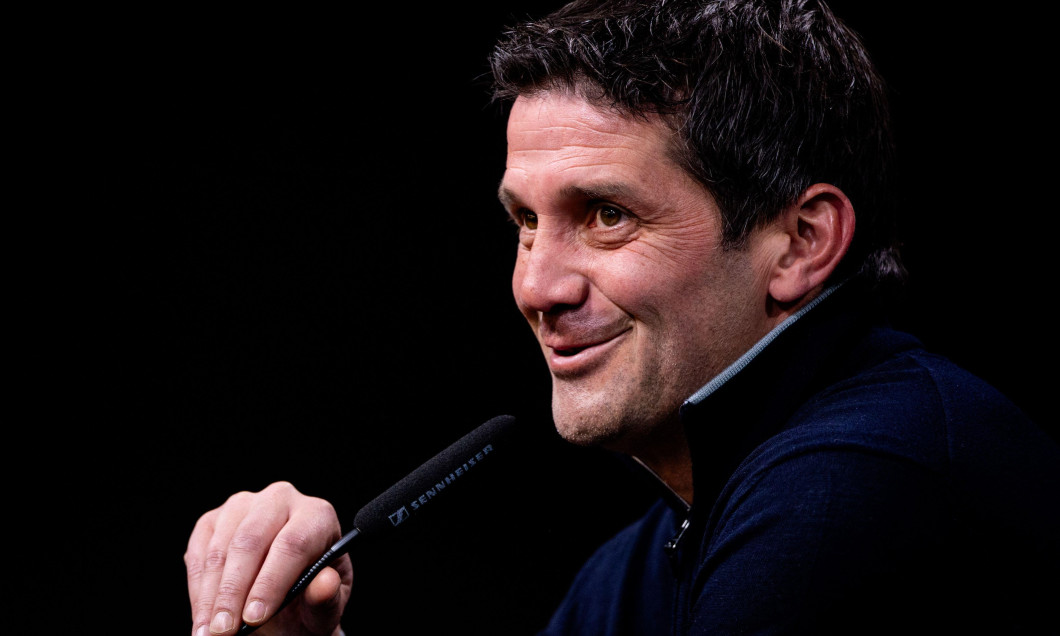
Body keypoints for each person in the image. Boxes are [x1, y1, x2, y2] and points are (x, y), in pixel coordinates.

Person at [184, 1, 1060, 634]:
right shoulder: (656, 548)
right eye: (525, 224)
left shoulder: (855, 484)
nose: (538, 288)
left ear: (799, 243)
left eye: (607, 215)